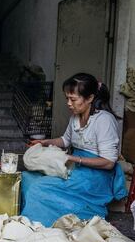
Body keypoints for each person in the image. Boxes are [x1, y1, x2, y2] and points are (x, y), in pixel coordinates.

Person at [21, 73, 127, 227]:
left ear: (90, 98)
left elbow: (109, 162)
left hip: (96, 176)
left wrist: (73, 159)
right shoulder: (75, 118)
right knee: (27, 177)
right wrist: (44, 142)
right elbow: (65, 140)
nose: (69, 104)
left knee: (39, 187)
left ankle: (52, 220)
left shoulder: (103, 120)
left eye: (73, 99)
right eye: (67, 99)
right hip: (76, 168)